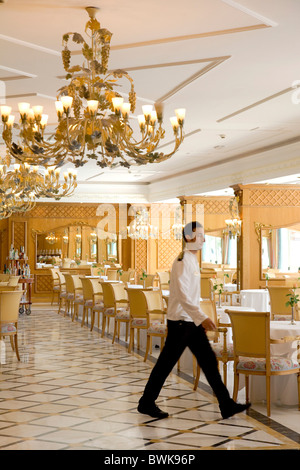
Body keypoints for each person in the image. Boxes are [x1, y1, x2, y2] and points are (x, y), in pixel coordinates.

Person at [138, 221, 250, 420]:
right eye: (200, 236)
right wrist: (203, 317)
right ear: (189, 237)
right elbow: (183, 296)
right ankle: (146, 402)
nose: (204, 239)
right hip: (181, 322)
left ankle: (226, 404)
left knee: (208, 362)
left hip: (190, 321)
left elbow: (190, 296)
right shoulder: (182, 260)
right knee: (166, 364)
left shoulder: (191, 260)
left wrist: (198, 320)